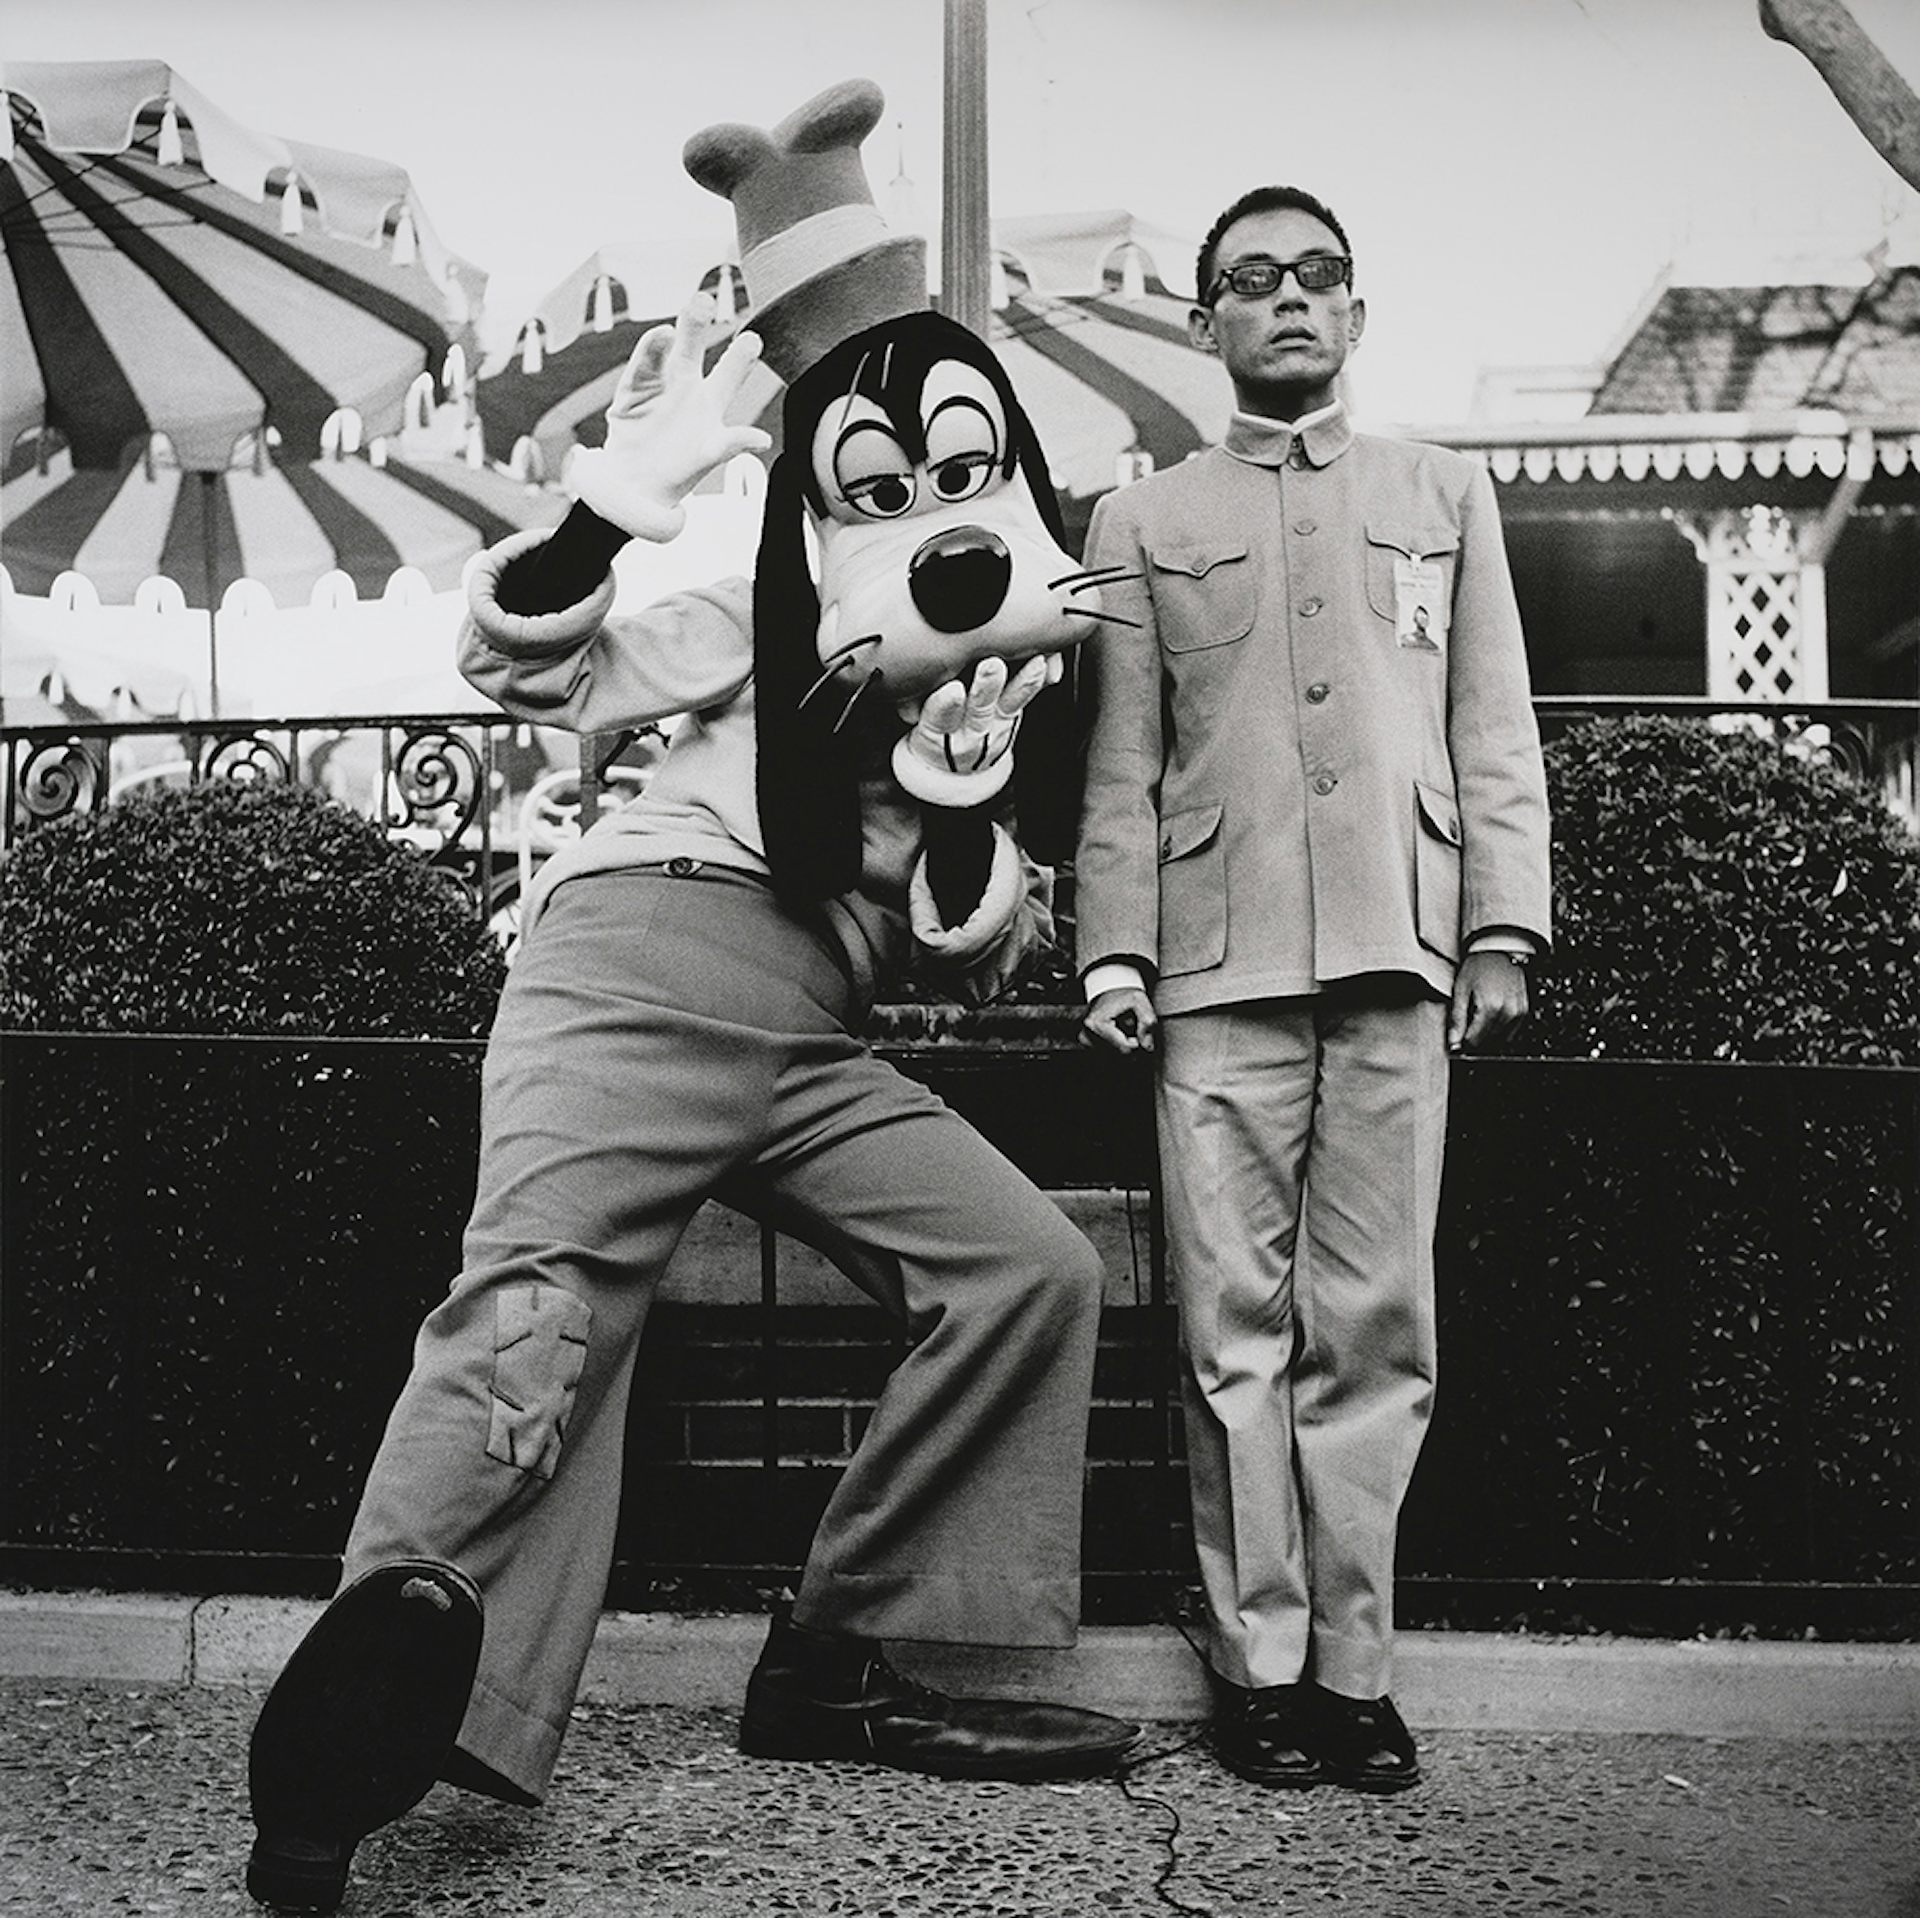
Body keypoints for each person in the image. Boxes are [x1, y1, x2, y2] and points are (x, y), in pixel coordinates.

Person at [242, 81, 1136, 1915]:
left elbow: (973, 939)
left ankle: (844, 1656)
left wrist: (985, 835)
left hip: (816, 1028)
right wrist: (600, 515)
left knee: (1025, 1269)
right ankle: (337, 1761)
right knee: (540, 1311)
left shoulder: (1010, 658)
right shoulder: (773, 601)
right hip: (651, 953)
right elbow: (526, 671)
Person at [1074, 184, 1551, 1794]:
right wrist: (1116, 947)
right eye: (1252, 279)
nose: (1289, 299)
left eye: (1318, 277)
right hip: (1214, 969)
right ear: (1206, 321)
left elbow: (1492, 728)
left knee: (1377, 1322)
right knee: (1231, 1333)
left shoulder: (1445, 493)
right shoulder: (1139, 521)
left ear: (1357, 311)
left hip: (1401, 955)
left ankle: (1357, 1666)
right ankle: (1258, 1663)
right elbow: (1122, 760)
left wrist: (1500, 928)